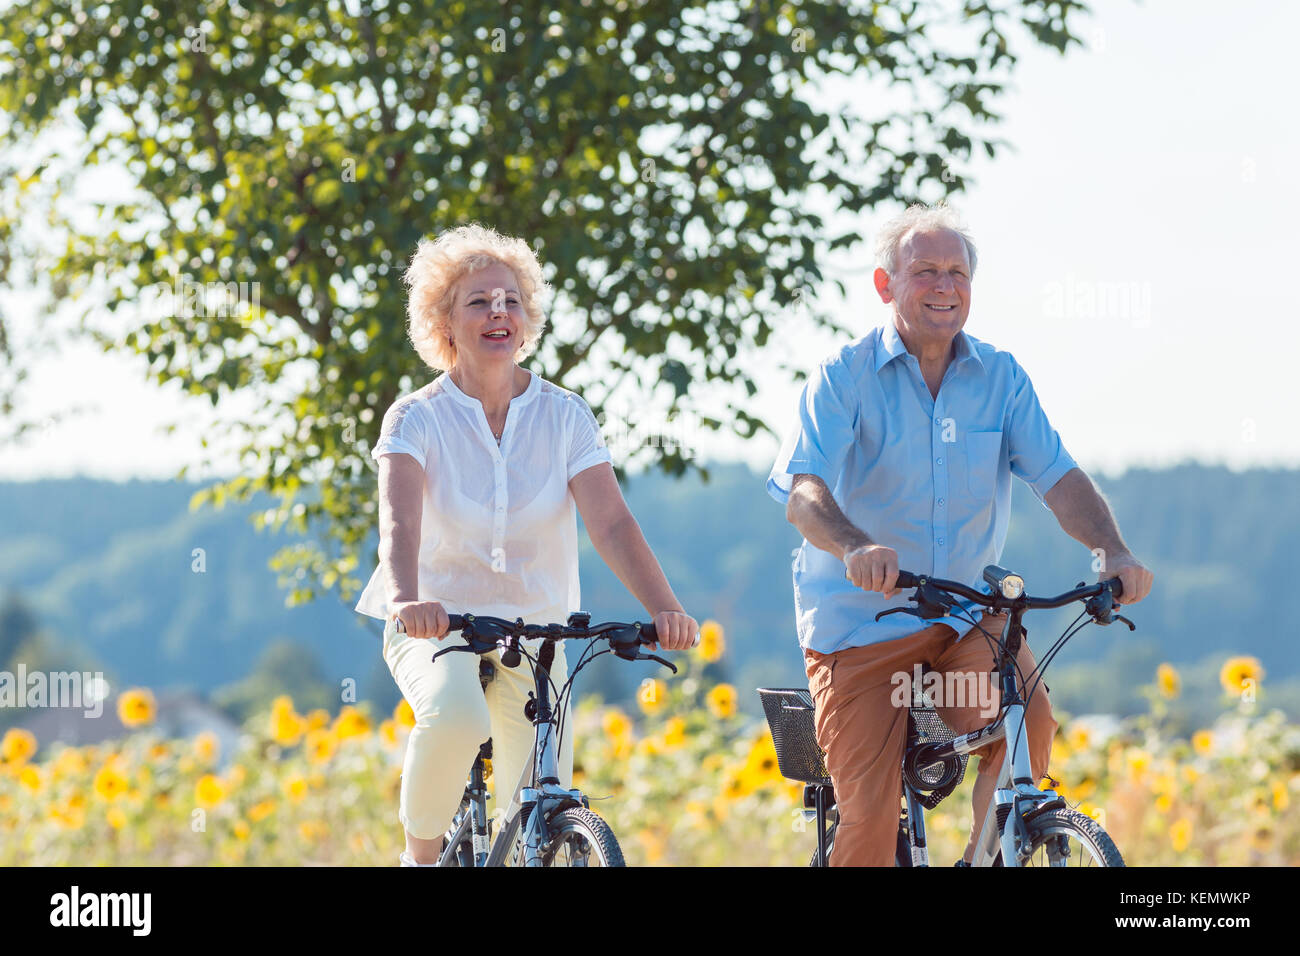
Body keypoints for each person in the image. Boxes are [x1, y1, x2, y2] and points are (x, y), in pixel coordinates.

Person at [766, 202, 1153, 866]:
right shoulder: (844, 375)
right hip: (860, 633)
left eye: (957, 273)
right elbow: (803, 495)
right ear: (887, 285)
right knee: (866, 830)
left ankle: (988, 854)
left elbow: (1058, 478)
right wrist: (855, 545)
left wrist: (1111, 550)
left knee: (1024, 726)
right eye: (925, 272)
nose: (944, 286)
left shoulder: (1000, 378)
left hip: (962, 623)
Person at [354, 223, 699, 866]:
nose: (498, 313)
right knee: (458, 718)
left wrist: (664, 608)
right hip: (437, 622)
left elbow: (613, 524)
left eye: (511, 300)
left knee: (537, 801)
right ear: (445, 321)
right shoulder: (415, 417)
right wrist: (407, 599)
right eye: (479, 301)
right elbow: (400, 526)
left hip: (538, 629)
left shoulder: (565, 414)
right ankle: (419, 857)